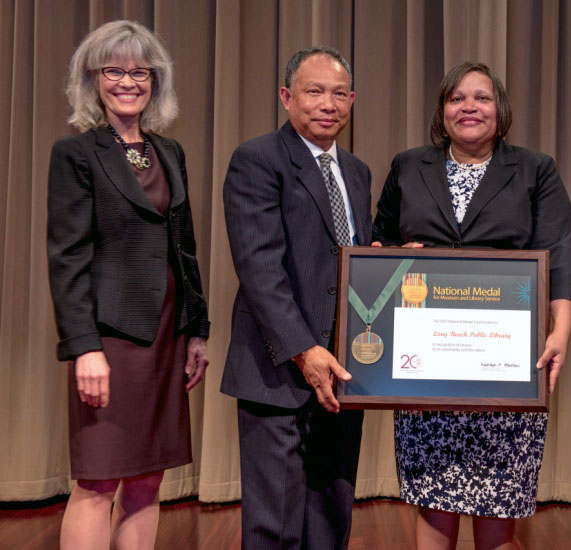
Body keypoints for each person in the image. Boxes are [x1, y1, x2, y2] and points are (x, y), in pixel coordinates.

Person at [372, 62, 571, 550]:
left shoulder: (534, 168)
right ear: (442, 111)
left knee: (499, 502)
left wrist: (560, 332)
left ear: (500, 111)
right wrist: (394, 258)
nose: (469, 107)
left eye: (481, 98)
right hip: (427, 364)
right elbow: (377, 247)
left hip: (505, 364)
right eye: (457, 98)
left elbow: (559, 255)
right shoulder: (407, 165)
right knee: (434, 495)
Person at [47, 20, 210, 550]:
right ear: (92, 80)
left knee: (148, 476)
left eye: (140, 72)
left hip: (166, 337)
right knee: (98, 479)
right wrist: (84, 349)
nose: (127, 82)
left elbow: (184, 248)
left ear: (155, 81)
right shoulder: (75, 154)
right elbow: (67, 258)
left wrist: (197, 332)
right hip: (110, 339)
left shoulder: (170, 152)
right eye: (113, 70)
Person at [221, 46, 372, 550]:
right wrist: (305, 350)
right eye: (313, 91)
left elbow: (347, 263)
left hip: (344, 370)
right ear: (287, 97)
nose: (327, 103)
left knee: (331, 511)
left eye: (338, 93)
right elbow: (260, 268)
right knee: (274, 521)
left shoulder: (357, 172)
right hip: (277, 366)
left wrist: (388, 261)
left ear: (351, 101)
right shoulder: (258, 159)